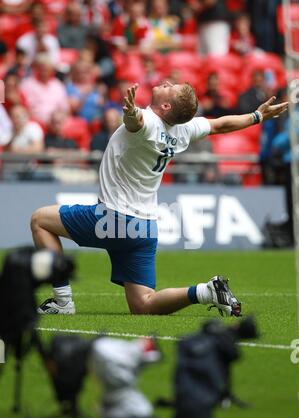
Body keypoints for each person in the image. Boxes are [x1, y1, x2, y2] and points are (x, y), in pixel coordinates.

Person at [31, 81, 288, 315]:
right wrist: (257, 116)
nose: (166, 83)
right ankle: (204, 291)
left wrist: (130, 112)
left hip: (112, 219)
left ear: (165, 106)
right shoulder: (183, 130)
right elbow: (220, 124)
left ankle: (62, 302)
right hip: (143, 227)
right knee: (143, 304)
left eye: (171, 87)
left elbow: (137, 123)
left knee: (40, 220)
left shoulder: (150, 122)